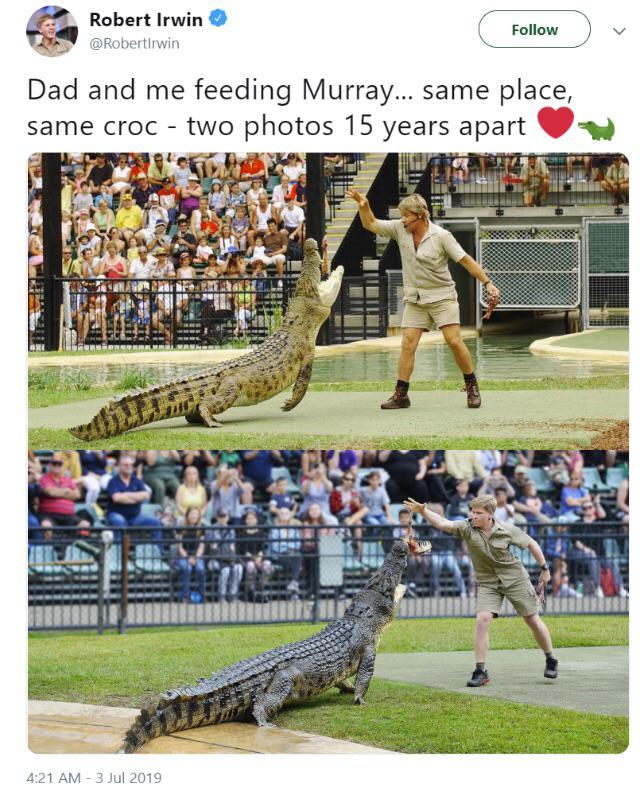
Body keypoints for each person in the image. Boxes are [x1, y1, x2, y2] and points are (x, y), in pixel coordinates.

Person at [346, 190, 499, 409]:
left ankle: (471, 385)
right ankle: (401, 395)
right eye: (402, 215)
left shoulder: (441, 236)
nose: (402, 219)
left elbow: (466, 261)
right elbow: (370, 223)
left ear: (420, 216)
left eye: (406, 215)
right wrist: (363, 205)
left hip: (442, 296)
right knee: (407, 344)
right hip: (415, 298)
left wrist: (488, 283)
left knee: (454, 341)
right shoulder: (400, 230)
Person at [404, 493, 558, 685]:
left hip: (515, 578)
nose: (473, 516)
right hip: (488, 582)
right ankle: (480, 671)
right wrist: (424, 511)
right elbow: (443, 523)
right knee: (482, 619)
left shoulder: (507, 530)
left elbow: (532, 544)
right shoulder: (467, 528)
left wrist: (545, 570)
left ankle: (551, 659)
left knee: (532, 620)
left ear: (490, 514)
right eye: (473, 512)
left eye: (478, 513)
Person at [106, 455, 161, 541]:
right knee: (119, 522)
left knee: (156, 522)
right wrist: (136, 497)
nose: (129, 467)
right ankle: (119, 552)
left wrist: (125, 495)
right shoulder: (113, 481)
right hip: (117, 514)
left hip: (136, 516)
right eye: (125, 465)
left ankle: (157, 552)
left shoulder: (137, 481)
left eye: (131, 465)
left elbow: (145, 495)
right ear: (119, 466)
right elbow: (116, 498)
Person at [208, 508, 243, 602]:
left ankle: (233, 594)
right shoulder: (211, 529)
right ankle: (222, 596)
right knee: (226, 570)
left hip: (227, 557)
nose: (222, 519)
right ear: (216, 517)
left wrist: (232, 558)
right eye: (220, 516)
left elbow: (232, 547)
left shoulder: (231, 530)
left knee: (238, 568)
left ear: (228, 517)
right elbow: (213, 548)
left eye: (224, 516)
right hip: (214, 559)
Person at [175, 507, 207, 603]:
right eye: (192, 514)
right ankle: (186, 595)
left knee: (200, 569)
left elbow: (202, 546)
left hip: (197, 555)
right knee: (187, 568)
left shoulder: (202, 527)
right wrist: (188, 558)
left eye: (196, 514)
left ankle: (202, 595)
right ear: (187, 515)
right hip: (183, 555)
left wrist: (196, 557)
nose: (194, 516)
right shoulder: (181, 527)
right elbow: (179, 546)